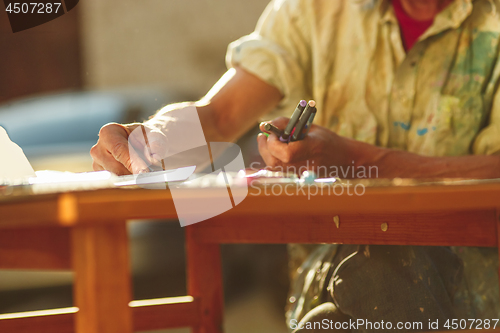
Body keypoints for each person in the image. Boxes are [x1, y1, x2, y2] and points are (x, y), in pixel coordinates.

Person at [91, 0, 500, 331]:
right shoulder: (316, 10)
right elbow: (221, 115)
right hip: (336, 284)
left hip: (477, 296)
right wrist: (151, 139)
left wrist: (356, 160)